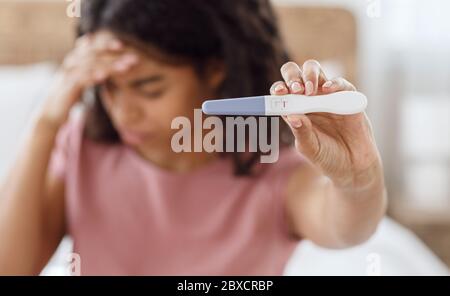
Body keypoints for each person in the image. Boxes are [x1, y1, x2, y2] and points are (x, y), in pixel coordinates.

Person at [0, 0, 386, 275]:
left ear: (215, 68)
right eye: (107, 88)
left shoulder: (274, 166)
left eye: (149, 87)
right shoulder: (82, 146)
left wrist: (359, 178)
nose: (123, 111)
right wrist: (45, 122)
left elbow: (347, 229)